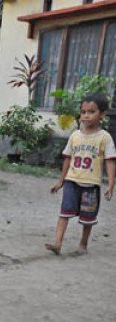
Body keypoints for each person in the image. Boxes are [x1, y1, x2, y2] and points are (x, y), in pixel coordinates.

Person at [45, 93, 115, 255]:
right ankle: (58, 243)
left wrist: (111, 184)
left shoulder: (105, 138)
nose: (86, 115)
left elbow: (110, 161)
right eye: (83, 112)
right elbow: (68, 159)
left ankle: (83, 245)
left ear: (102, 114)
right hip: (72, 181)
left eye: (91, 112)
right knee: (64, 212)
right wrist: (61, 181)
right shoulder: (75, 136)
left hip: (91, 185)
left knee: (87, 218)